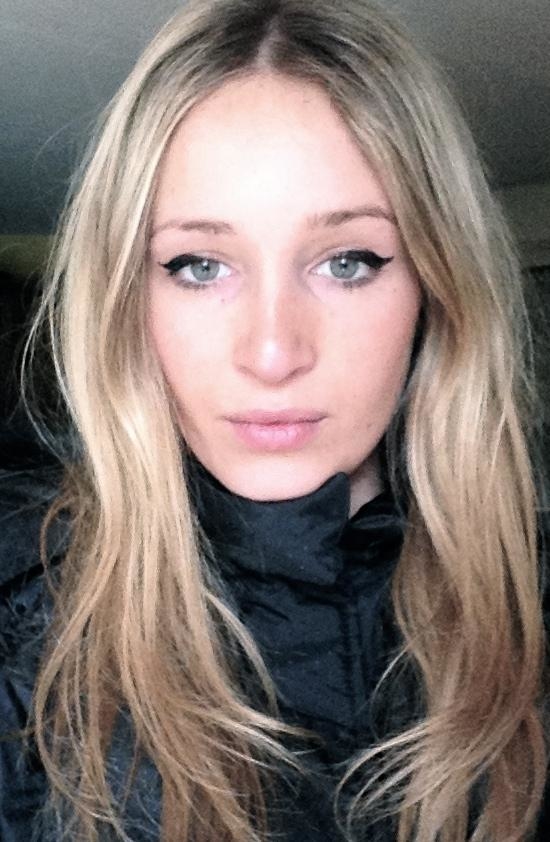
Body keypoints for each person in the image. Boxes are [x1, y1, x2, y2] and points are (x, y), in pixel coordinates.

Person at [0, 0, 548, 840]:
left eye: (347, 262)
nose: (271, 351)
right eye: (199, 265)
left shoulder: (532, 611)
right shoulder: (24, 632)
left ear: (437, 287)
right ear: (127, 301)